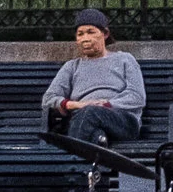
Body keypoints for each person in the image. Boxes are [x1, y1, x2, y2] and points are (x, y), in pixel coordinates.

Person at [41, 8, 147, 145]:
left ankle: (72, 157)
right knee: (96, 135)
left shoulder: (125, 59)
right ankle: (97, 144)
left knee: (90, 113)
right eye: (80, 34)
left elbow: (137, 97)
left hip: (122, 120)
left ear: (105, 34)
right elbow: (48, 98)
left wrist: (105, 104)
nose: (85, 38)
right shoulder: (72, 66)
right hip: (81, 119)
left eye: (91, 32)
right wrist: (78, 105)